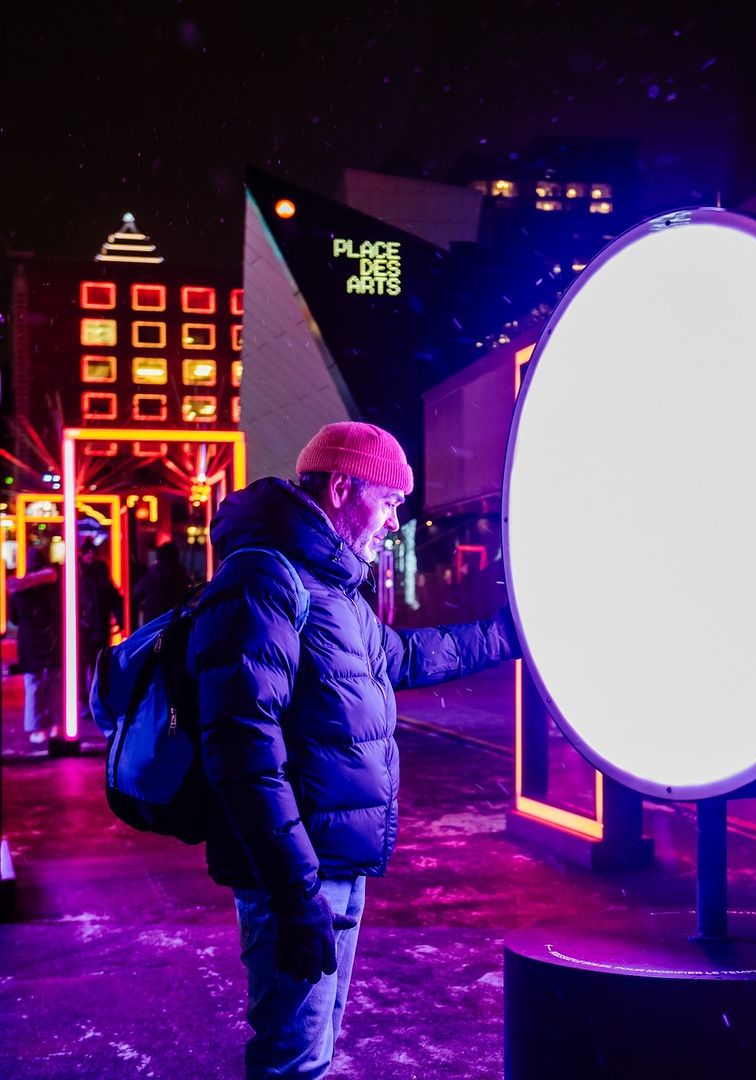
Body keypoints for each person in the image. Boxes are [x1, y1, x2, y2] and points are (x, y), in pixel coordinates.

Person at [188, 421, 519, 1079]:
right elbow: (241, 746)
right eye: (390, 501)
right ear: (342, 488)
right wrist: (294, 887)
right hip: (297, 870)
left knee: (311, 1050)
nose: (394, 523)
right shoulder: (265, 580)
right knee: (293, 1058)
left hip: (329, 863)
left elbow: (405, 657)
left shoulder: (332, 589)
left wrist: (512, 633)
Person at [8, 546, 62, 746]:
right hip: (51, 639)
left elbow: (14, 619)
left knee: (33, 685)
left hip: (29, 642)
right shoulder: (52, 587)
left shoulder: (18, 591)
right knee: (55, 685)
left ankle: (36, 728)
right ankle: (56, 724)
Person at [78, 538, 123, 721]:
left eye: (92, 553)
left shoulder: (93, 574)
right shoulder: (81, 574)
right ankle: (89, 701)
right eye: (88, 552)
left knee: (96, 665)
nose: (90, 556)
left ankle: (94, 701)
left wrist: (119, 617)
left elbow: (112, 597)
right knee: (87, 666)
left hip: (94, 627)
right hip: (86, 628)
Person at [132, 540, 191, 625]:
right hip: (176, 623)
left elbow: (137, 593)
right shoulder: (181, 575)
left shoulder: (152, 574)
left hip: (153, 624)